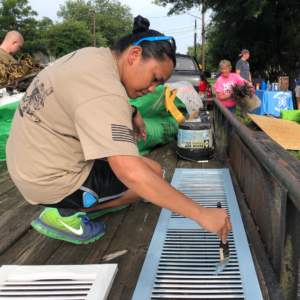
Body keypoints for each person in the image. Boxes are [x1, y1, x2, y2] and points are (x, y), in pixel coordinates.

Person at [6, 16, 231, 245]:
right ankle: (64, 214)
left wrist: (132, 112)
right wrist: (202, 215)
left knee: (155, 170)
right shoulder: (106, 91)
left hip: (33, 159)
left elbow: (87, 97)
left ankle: (83, 203)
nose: (153, 89)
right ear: (134, 55)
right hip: (49, 179)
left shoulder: (94, 57)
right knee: (144, 184)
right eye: (155, 78)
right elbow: (129, 172)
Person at [235, 49, 251, 118]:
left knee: (246, 97)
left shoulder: (247, 63)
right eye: (248, 54)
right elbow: (237, 73)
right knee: (242, 97)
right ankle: (242, 112)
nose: (249, 55)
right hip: (242, 83)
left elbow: (248, 72)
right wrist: (243, 81)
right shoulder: (239, 62)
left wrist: (250, 81)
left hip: (247, 82)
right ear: (244, 54)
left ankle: (244, 111)